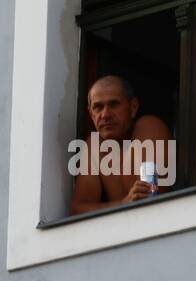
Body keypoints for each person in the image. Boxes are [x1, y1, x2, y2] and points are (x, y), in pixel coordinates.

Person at [70, 75, 173, 215]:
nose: (105, 114)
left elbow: (149, 200)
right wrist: (122, 203)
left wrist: (121, 205)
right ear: (91, 114)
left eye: (113, 104)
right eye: (98, 107)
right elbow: (77, 211)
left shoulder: (149, 126)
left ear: (133, 107)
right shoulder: (94, 144)